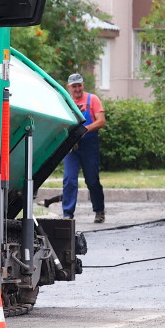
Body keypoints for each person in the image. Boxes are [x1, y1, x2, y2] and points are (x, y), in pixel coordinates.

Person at [61, 72, 107, 223]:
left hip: (89, 144)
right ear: (69, 87)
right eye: (74, 86)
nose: (77, 89)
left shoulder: (92, 99)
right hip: (71, 146)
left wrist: (85, 129)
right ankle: (67, 214)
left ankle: (99, 210)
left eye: (79, 85)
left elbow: (101, 121)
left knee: (92, 180)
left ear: (83, 85)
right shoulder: (65, 101)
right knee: (69, 180)